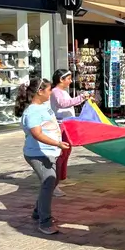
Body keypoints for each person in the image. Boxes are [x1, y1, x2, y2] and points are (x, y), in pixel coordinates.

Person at [17, 78, 69, 235]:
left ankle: (38, 211)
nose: (51, 92)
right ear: (40, 92)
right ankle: (44, 222)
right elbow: (37, 134)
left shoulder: (44, 106)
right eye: (48, 90)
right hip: (37, 154)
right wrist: (57, 144)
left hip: (49, 152)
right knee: (49, 181)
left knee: (53, 180)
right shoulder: (32, 111)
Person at [50, 69, 91, 198]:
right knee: (61, 154)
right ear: (61, 80)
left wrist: (83, 99)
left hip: (67, 125)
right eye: (68, 78)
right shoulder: (56, 92)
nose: (70, 81)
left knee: (66, 153)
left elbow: (69, 103)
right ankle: (54, 184)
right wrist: (81, 97)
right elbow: (63, 104)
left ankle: (60, 179)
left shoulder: (62, 92)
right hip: (61, 127)